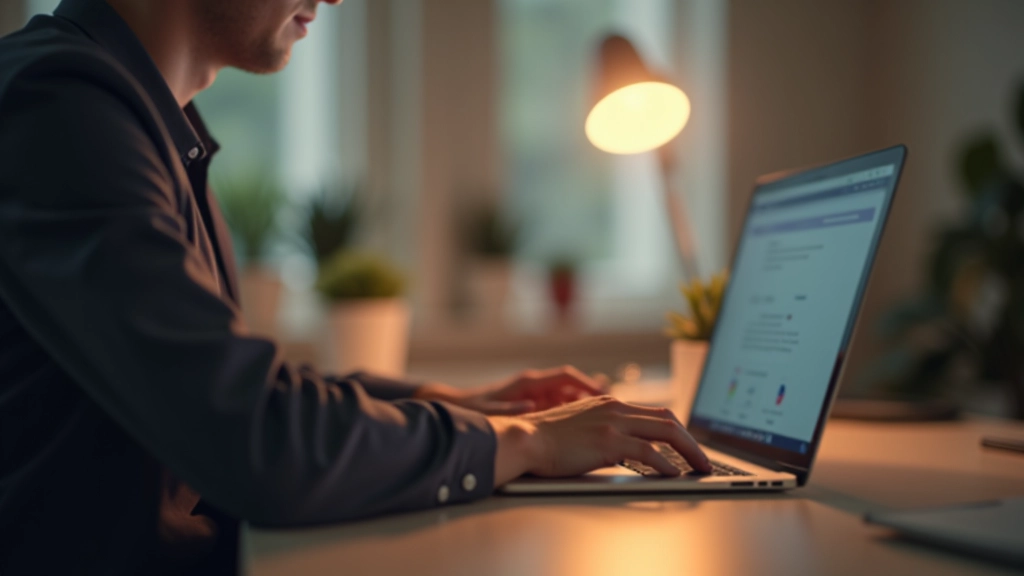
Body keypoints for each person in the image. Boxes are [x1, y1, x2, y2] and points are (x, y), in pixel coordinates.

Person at [0, 0, 711, 574]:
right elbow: (252, 436)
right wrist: (522, 442)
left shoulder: (149, 121)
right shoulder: (58, 108)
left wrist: (448, 403)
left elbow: (222, 387)